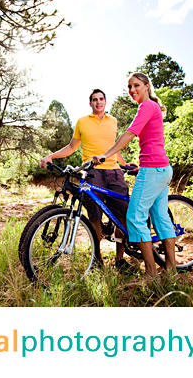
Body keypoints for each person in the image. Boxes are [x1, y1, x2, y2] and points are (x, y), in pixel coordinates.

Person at [40, 89, 135, 272]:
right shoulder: (82, 122)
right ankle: (97, 260)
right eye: (94, 100)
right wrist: (51, 156)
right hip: (93, 174)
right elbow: (71, 147)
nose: (98, 102)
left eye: (101, 99)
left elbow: (115, 147)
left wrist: (124, 164)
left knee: (122, 216)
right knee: (95, 217)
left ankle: (119, 260)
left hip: (115, 172)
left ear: (105, 102)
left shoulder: (113, 121)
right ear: (90, 103)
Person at [92, 73, 176, 279]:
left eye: (136, 85)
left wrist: (106, 155)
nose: (132, 90)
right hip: (162, 169)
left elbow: (130, 134)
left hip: (153, 169)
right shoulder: (152, 107)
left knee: (134, 217)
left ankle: (150, 273)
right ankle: (171, 269)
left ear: (147, 86)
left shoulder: (147, 106)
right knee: (160, 218)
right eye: (129, 87)